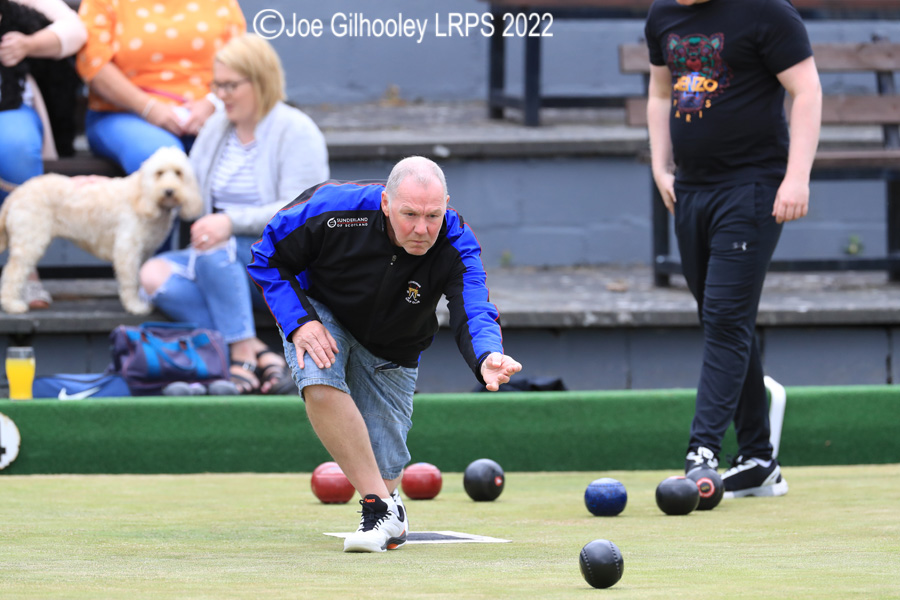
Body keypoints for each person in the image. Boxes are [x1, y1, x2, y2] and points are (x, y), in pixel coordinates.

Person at [247, 157, 523, 552]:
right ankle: (380, 508)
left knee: (383, 469)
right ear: (385, 203)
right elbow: (267, 256)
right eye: (409, 214)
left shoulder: (455, 239)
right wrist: (299, 322)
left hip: (395, 345)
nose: (422, 229)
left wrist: (487, 356)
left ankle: (385, 503)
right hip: (322, 312)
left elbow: (473, 306)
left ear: (446, 203)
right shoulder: (332, 210)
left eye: (433, 215)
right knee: (318, 376)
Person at [644, 0, 822, 497]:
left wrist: (797, 177)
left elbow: (806, 89)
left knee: (724, 317)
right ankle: (759, 459)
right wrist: (660, 166)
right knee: (725, 319)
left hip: (754, 186)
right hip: (692, 190)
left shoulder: (766, 11)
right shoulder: (662, 15)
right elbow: (660, 92)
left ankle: (701, 452)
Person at [139, 34, 328, 395]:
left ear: (261, 80)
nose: (220, 95)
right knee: (152, 275)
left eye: (230, 86)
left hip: (281, 266)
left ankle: (237, 356)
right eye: (216, 85)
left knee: (213, 246)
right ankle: (252, 350)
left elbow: (301, 207)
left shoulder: (297, 130)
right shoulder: (217, 129)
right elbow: (188, 190)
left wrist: (228, 222)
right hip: (222, 259)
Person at [75, 0, 245, 174]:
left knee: (243, 157)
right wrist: (147, 107)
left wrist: (212, 101)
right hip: (125, 113)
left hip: (210, 113)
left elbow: (242, 61)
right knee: (163, 162)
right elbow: (94, 63)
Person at [0, 0, 87, 309]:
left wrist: (27, 44)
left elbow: (76, 30)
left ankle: (23, 271)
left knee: (16, 148)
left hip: (8, 102)